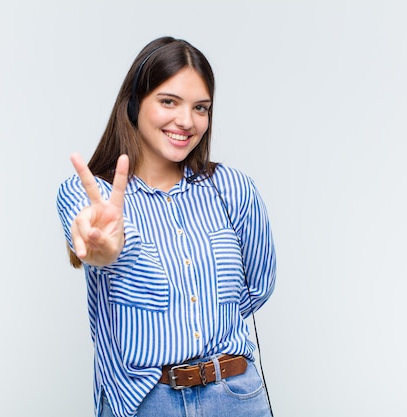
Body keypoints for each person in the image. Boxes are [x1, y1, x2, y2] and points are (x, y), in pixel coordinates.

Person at [56, 36, 277, 417]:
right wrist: (108, 247)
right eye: (168, 101)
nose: (187, 121)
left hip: (235, 398)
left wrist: (207, 321)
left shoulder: (232, 188)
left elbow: (257, 286)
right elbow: (106, 246)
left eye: (201, 108)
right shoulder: (90, 195)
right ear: (133, 103)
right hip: (145, 402)